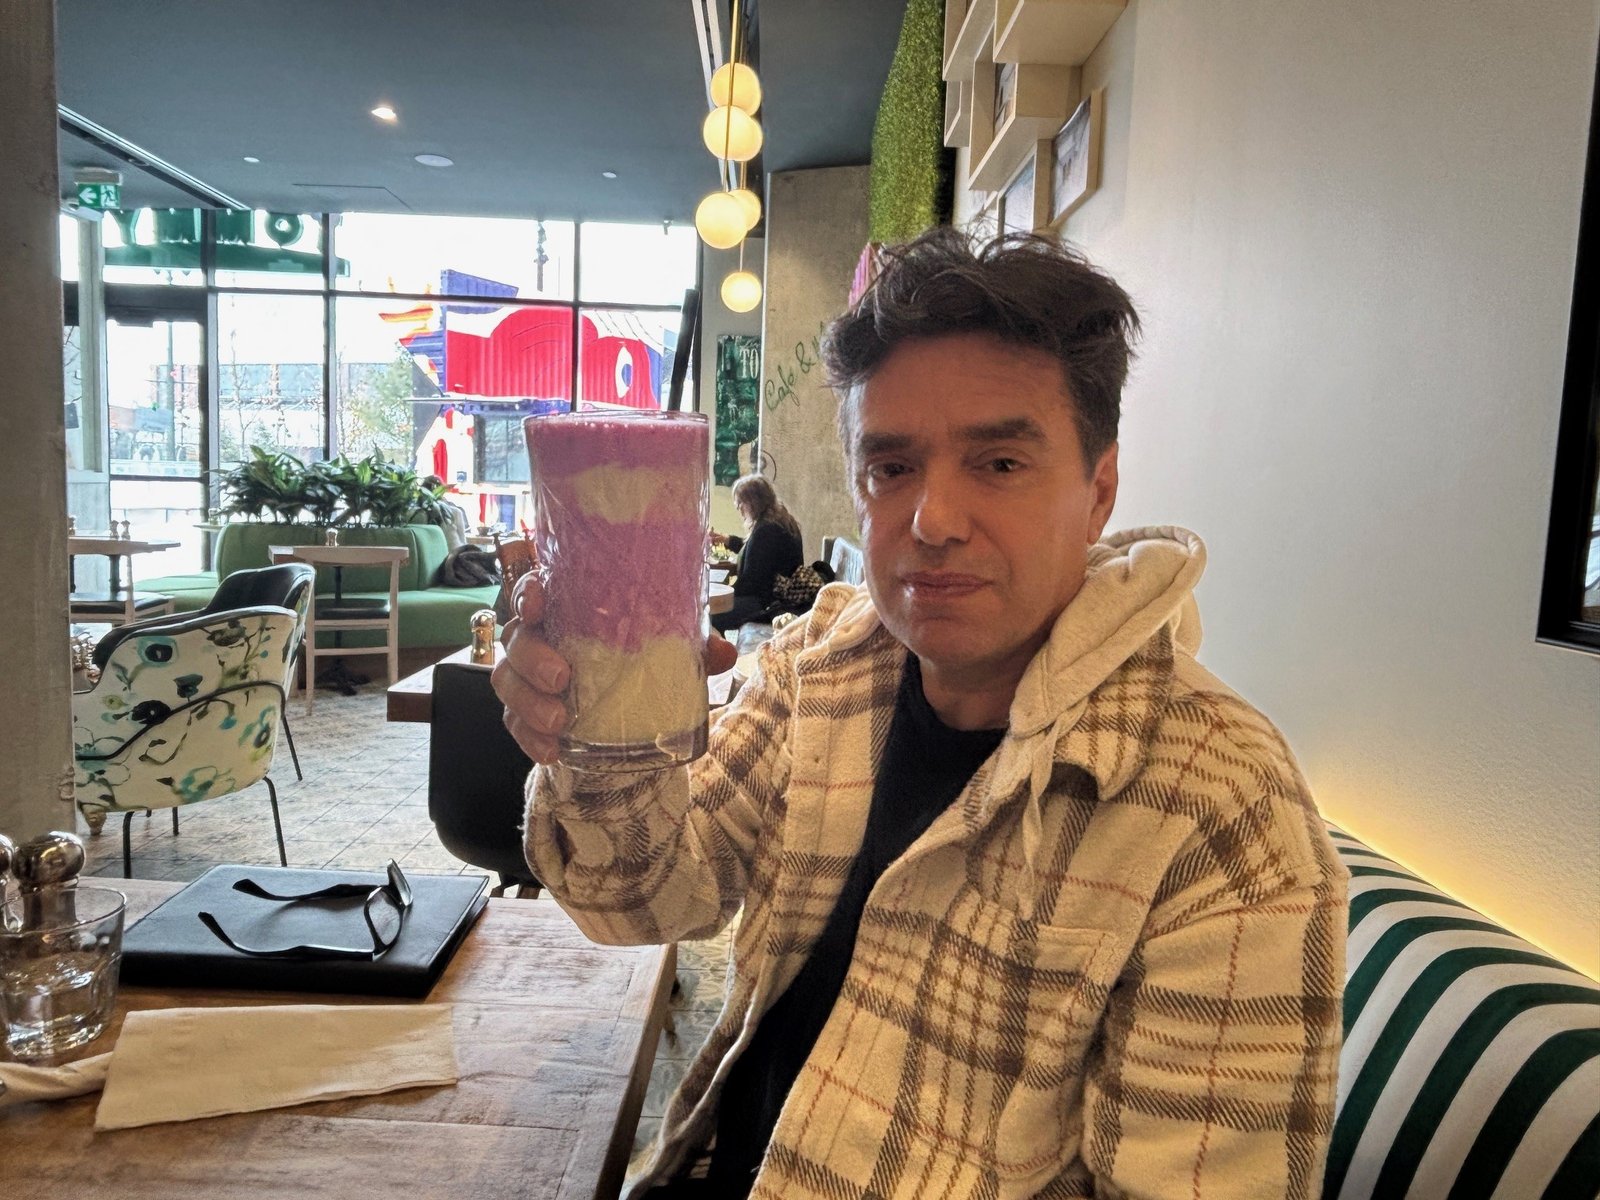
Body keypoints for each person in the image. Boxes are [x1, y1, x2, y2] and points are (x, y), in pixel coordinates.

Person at [494, 228, 1347, 1200]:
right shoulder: (822, 664)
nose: (933, 521)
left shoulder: (1218, 808)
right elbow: (642, 903)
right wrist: (596, 737)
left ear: (1099, 490)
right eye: (891, 469)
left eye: (1000, 464)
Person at [707, 474, 804, 634]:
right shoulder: (778, 521)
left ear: (754, 501)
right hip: (777, 597)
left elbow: (751, 582)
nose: (738, 507)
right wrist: (728, 540)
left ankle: (720, 649)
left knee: (712, 614)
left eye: (741, 502)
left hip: (768, 603)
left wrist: (724, 592)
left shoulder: (767, 530)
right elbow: (757, 553)